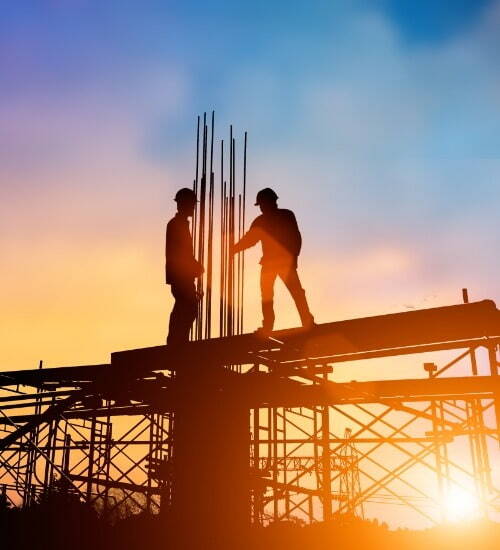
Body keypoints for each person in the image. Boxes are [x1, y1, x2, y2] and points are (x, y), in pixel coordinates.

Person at [232, 187, 314, 334]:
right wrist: (234, 249)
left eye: (262, 204)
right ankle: (271, 325)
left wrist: (294, 257)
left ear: (270, 202)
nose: (261, 208)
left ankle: (306, 321)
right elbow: (250, 240)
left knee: (292, 293)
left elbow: (296, 237)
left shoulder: (284, 216)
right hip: (272, 263)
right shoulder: (264, 220)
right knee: (270, 295)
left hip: (281, 262)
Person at [165, 188, 203, 345]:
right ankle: (176, 343)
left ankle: (178, 342)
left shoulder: (180, 224)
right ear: (184, 204)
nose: (193, 208)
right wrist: (195, 267)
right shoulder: (177, 225)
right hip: (181, 276)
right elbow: (180, 253)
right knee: (188, 308)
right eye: (192, 204)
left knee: (186, 308)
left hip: (183, 276)